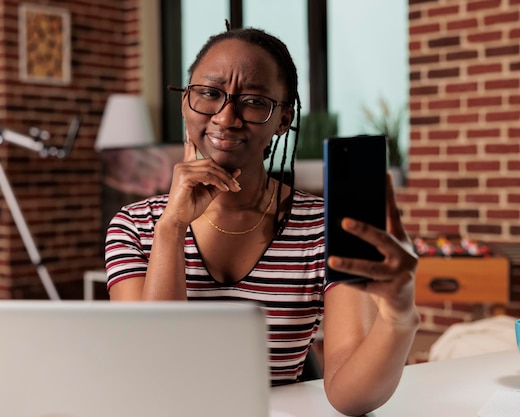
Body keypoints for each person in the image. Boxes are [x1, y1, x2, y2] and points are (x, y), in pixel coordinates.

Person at [105, 25, 419, 417]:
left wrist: (399, 317)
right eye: (208, 93)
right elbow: (149, 375)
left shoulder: (322, 229)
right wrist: (171, 228)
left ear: (284, 119)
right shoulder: (134, 226)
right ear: (186, 101)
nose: (226, 117)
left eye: (253, 102)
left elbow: (349, 397)